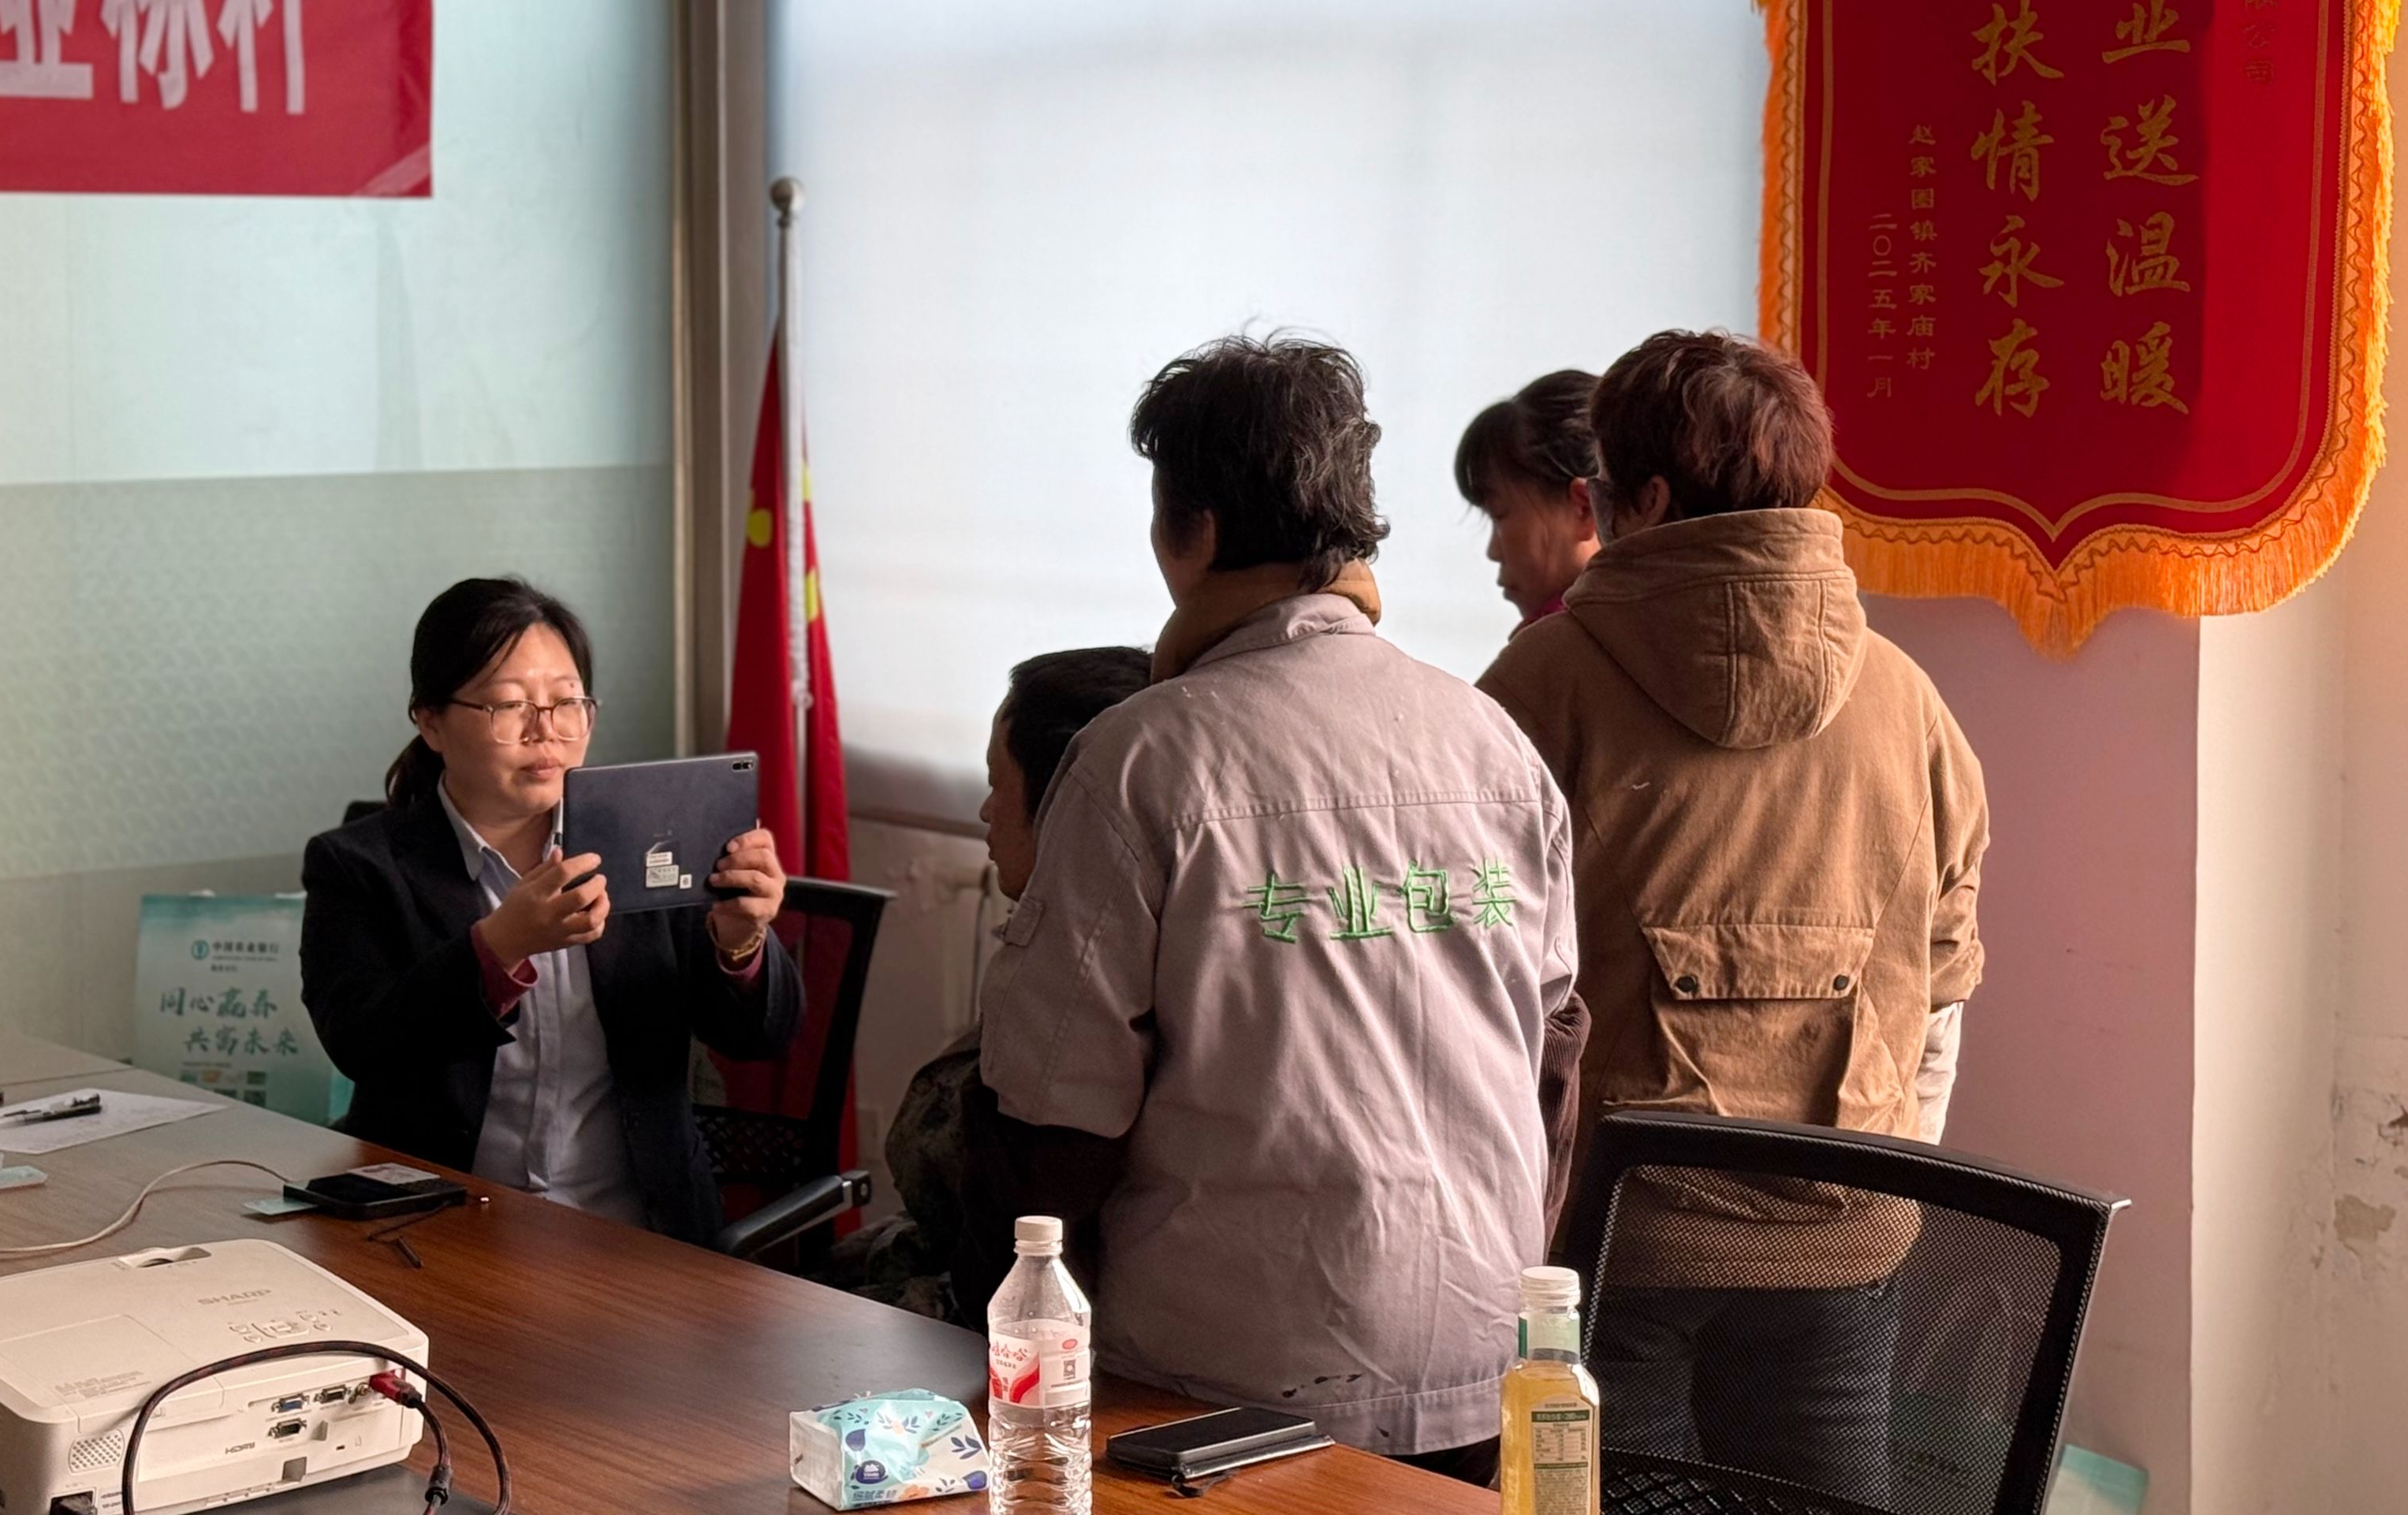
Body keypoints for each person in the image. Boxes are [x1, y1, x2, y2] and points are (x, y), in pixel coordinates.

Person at [964, 333, 1579, 1483]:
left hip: (1225, 1382)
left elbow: (1056, 1115)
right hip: (1481, 1359)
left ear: (1191, 532)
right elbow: (1551, 1053)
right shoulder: (1492, 741)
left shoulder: (1141, 758)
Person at [1477, 330, 1989, 1506]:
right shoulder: (1908, 699)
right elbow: (1942, 988)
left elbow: (1471, 991)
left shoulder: (1539, 685)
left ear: (1648, 498)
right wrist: (1881, 1165)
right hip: (1844, 1235)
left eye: (1605, 484)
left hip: (1609, 1247)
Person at [299, 577, 803, 1246]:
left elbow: (760, 1039)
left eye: (567, 702)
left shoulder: (649, 836)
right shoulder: (358, 865)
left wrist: (740, 942)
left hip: (633, 1233)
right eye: (510, 705)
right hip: (439, 1231)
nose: (546, 731)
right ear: (430, 720)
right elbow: (362, 1043)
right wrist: (497, 948)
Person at [832, 646, 1153, 1321]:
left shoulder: (1075, 995)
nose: (984, 811)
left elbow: (1010, 1264)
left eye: (996, 783)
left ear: (1064, 804)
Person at [1455, 368, 1602, 625]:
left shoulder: (1562, 643)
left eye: (1499, 515)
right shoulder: (1663, 617)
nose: (1493, 552)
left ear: (1584, 508)